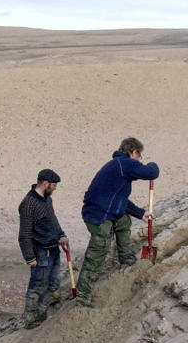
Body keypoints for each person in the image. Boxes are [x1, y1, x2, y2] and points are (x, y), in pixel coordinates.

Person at [75, 137, 159, 307]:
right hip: (98, 216)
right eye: (139, 156)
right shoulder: (124, 163)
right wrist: (153, 164)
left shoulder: (118, 167)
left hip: (104, 210)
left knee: (123, 222)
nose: (138, 160)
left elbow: (120, 199)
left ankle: (126, 258)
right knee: (97, 252)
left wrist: (140, 213)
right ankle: (83, 297)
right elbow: (151, 173)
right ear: (133, 152)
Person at [18, 168, 68, 328]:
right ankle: (30, 320)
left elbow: (53, 220)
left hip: (53, 249)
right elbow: (24, 233)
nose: (55, 188)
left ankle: (41, 314)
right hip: (40, 252)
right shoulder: (28, 203)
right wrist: (29, 258)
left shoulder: (47, 200)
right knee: (37, 286)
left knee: (53, 284)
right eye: (53, 185)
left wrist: (61, 235)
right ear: (45, 183)